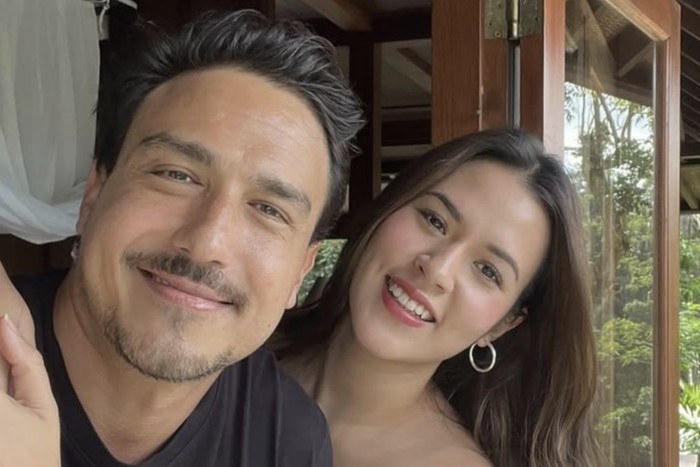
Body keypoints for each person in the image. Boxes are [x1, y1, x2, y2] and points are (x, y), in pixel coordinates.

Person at [0, 9, 364, 466]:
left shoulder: (286, 439)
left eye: (269, 210)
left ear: (301, 271)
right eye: (176, 175)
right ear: (93, 194)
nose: (208, 242)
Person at [272, 129, 600, 467]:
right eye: (434, 221)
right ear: (389, 207)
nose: (437, 270)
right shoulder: (244, 352)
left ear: (502, 325)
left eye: (488, 271)